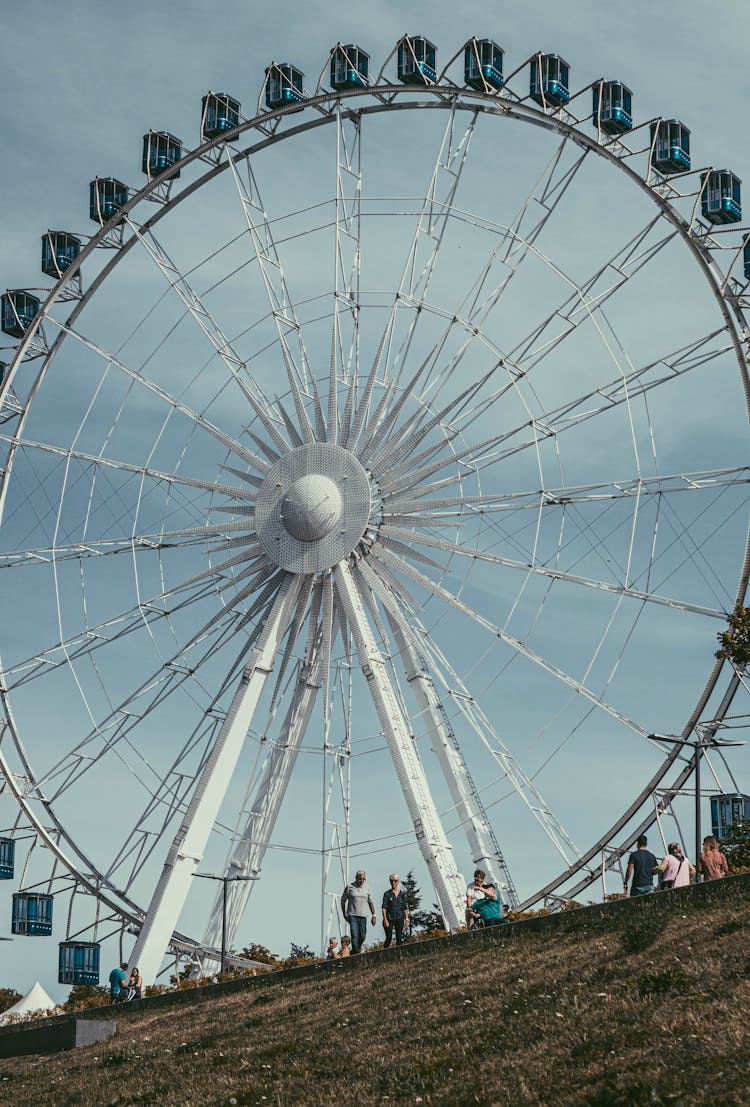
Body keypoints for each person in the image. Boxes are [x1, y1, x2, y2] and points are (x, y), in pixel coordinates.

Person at [341, 870, 376, 954]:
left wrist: (374, 915)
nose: (362, 881)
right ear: (356, 878)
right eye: (360, 879)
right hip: (352, 914)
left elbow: (370, 901)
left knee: (362, 936)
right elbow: (343, 900)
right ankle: (356, 953)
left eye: (364, 879)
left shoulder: (367, 887)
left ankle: (354, 951)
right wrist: (344, 913)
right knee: (355, 935)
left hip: (363, 915)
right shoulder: (349, 887)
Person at [381, 873, 410, 947]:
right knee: (389, 938)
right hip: (389, 918)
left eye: (395, 881)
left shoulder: (402, 894)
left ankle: (399, 955)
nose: (393, 882)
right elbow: (384, 907)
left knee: (399, 938)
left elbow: (405, 908)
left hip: (399, 918)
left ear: (398, 882)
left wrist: (407, 920)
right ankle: (384, 953)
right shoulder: (387, 894)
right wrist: (385, 919)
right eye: (391, 881)